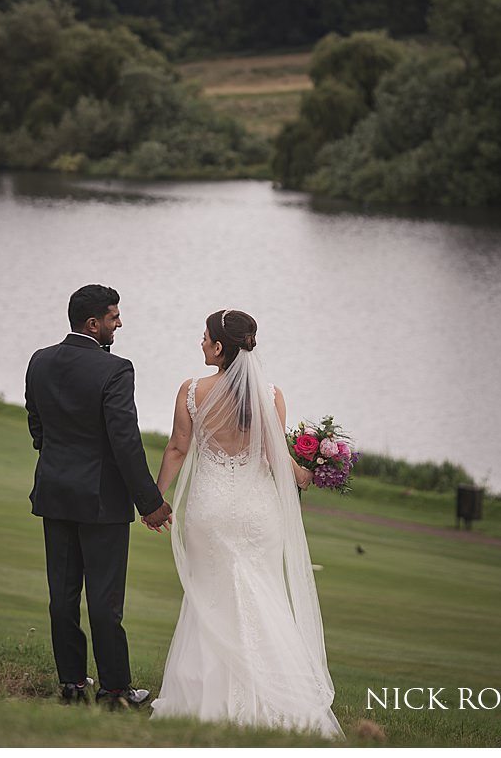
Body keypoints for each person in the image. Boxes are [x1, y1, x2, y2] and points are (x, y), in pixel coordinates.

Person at [147, 309, 343, 739]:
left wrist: (155, 499)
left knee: (209, 598)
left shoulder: (192, 391)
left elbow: (179, 448)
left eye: (204, 338)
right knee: (264, 596)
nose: (200, 344)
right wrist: (306, 475)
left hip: (210, 510)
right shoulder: (270, 394)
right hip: (258, 513)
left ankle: (201, 699)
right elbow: (276, 458)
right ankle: (278, 699)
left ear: (219, 347)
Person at [25, 284, 173, 707]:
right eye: (113, 316)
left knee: (62, 596)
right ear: (94, 323)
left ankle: (71, 685)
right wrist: (150, 503)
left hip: (54, 493)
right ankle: (115, 691)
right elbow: (125, 443)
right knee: (105, 602)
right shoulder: (116, 370)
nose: (119, 323)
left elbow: (37, 424)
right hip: (101, 502)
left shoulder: (40, 360)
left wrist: (58, 460)